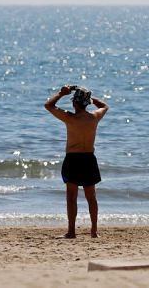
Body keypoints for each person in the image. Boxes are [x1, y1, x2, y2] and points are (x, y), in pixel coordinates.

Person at [44, 85, 109, 238]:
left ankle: (72, 232)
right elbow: (105, 106)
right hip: (88, 159)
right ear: (86, 103)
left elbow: (48, 105)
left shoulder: (69, 118)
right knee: (91, 197)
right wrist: (89, 97)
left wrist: (61, 93)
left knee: (71, 197)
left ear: (74, 103)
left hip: (73, 159)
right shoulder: (94, 117)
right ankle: (94, 231)